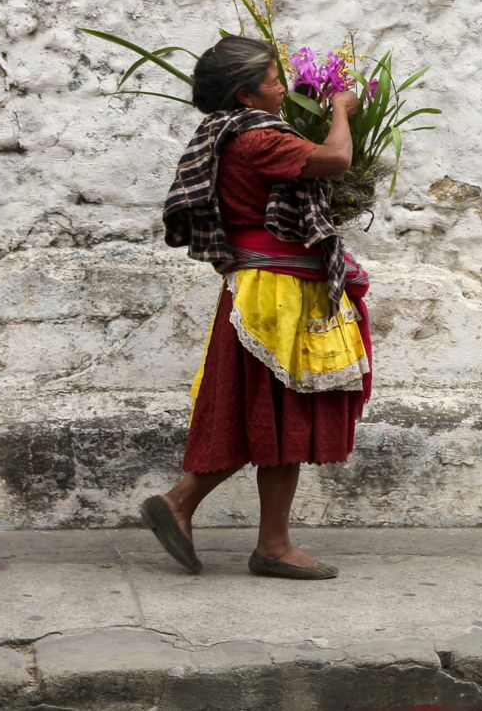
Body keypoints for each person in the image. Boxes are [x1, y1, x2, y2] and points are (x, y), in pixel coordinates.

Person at [139, 35, 372, 579]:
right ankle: (249, 534)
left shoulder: (227, 134)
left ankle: (233, 525)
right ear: (246, 95)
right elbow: (335, 159)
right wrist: (340, 108)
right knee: (279, 411)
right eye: (273, 80)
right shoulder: (258, 140)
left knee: (266, 411)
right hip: (277, 295)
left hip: (263, 287)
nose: (283, 88)